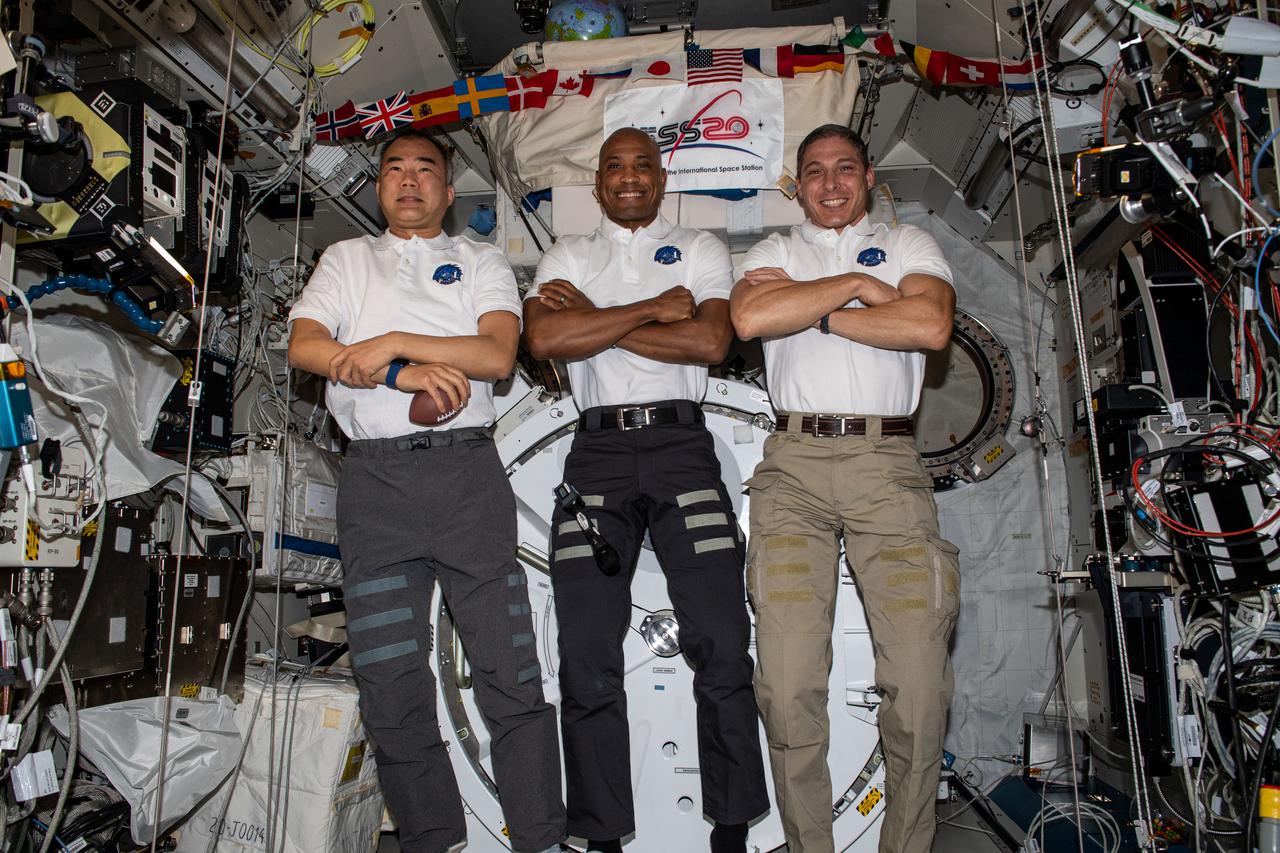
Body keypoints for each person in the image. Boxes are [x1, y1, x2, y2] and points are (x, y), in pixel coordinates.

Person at [287, 129, 566, 853]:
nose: (409, 181)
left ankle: (539, 837)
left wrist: (391, 341)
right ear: (380, 185)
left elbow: (496, 354)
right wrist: (397, 373)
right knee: (389, 680)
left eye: (425, 170)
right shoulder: (346, 260)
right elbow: (306, 345)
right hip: (375, 487)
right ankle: (433, 838)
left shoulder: (480, 261)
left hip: (464, 479)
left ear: (447, 191)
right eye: (394, 169)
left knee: (509, 670)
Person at [522, 127, 769, 853]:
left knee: (722, 640)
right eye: (614, 166)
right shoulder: (567, 256)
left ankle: (731, 827)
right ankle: (602, 835)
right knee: (585, 651)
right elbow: (543, 342)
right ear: (598, 181)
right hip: (596, 453)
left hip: (682, 448)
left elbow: (709, 343)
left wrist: (590, 318)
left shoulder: (699, 249)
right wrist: (648, 309)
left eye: (642, 166)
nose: (628, 177)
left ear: (661, 179)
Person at [729, 124, 961, 853]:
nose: (830, 184)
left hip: (885, 464)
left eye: (845, 169)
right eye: (815, 171)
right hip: (792, 467)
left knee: (918, 686)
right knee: (786, 685)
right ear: (798, 185)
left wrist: (815, 311)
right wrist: (861, 291)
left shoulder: (910, 245)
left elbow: (930, 324)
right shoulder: (771, 253)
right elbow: (750, 316)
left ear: (869, 177)